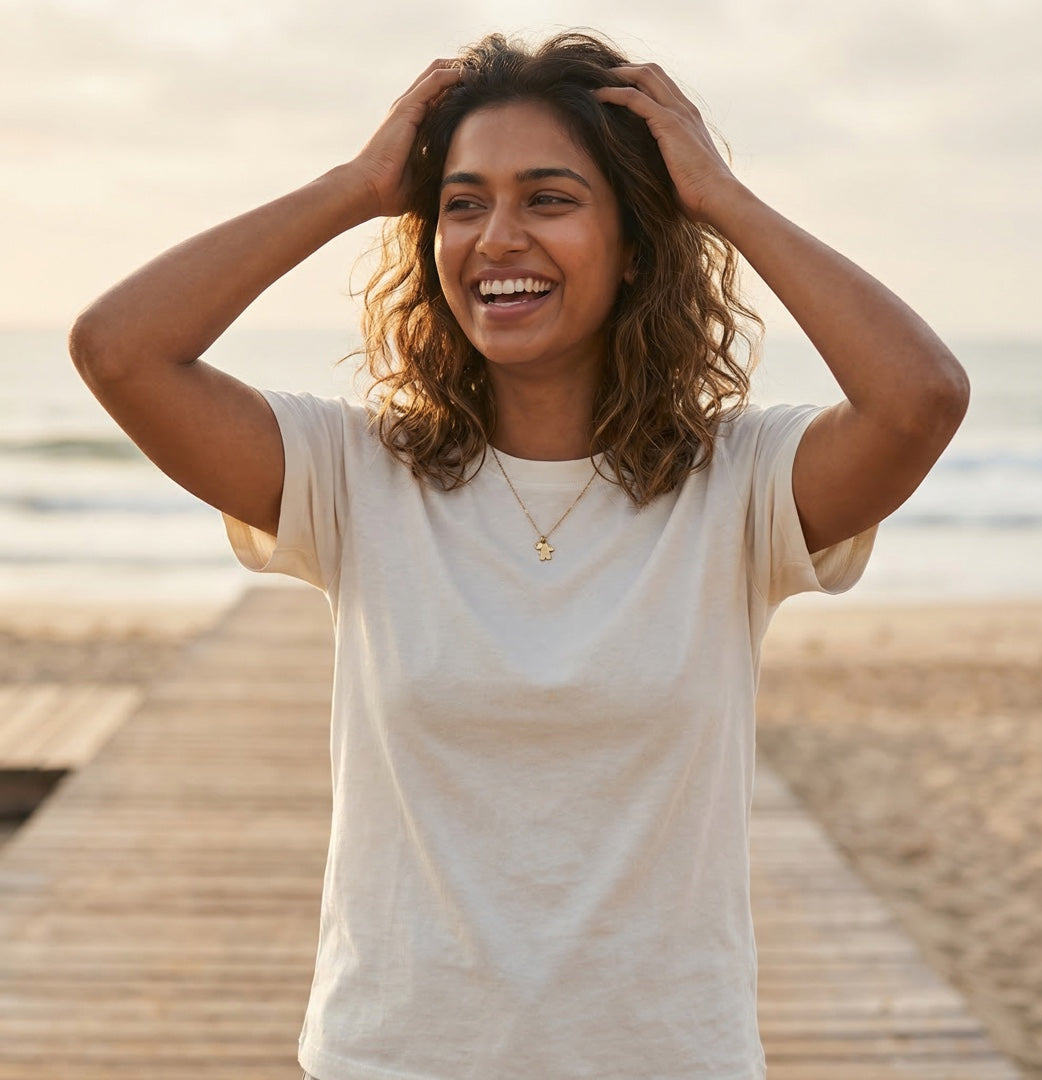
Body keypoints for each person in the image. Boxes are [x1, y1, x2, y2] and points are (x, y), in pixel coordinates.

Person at [69, 30, 969, 1080]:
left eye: (549, 199)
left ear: (637, 241)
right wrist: (356, 186)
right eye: (461, 202)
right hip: (395, 1058)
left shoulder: (739, 484)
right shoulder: (354, 473)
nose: (498, 236)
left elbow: (921, 400)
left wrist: (721, 197)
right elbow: (119, 351)